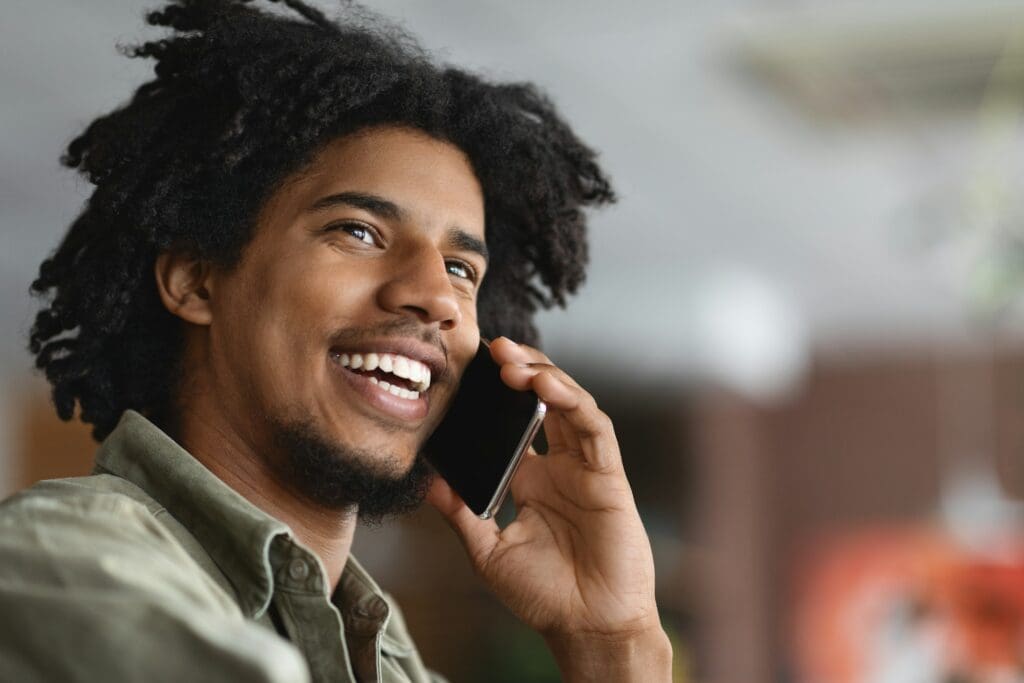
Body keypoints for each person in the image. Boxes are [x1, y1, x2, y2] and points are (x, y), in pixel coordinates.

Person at [1, 1, 672, 681]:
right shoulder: (59, 559)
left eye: (461, 269)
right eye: (358, 231)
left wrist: (611, 641)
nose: (436, 295)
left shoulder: (390, 662)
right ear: (198, 281)